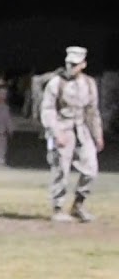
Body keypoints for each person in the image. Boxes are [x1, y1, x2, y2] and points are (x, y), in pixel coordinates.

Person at [41, 46, 105, 222]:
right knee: (61, 170)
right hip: (62, 129)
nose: (71, 67)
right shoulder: (56, 83)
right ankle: (58, 207)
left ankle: (78, 205)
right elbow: (47, 110)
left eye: (75, 64)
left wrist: (97, 135)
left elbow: (93, 112)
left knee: (91, 170)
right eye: (69, 63)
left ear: (83, 64)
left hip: (82, 130)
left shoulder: (90, 84)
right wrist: (55, 133)